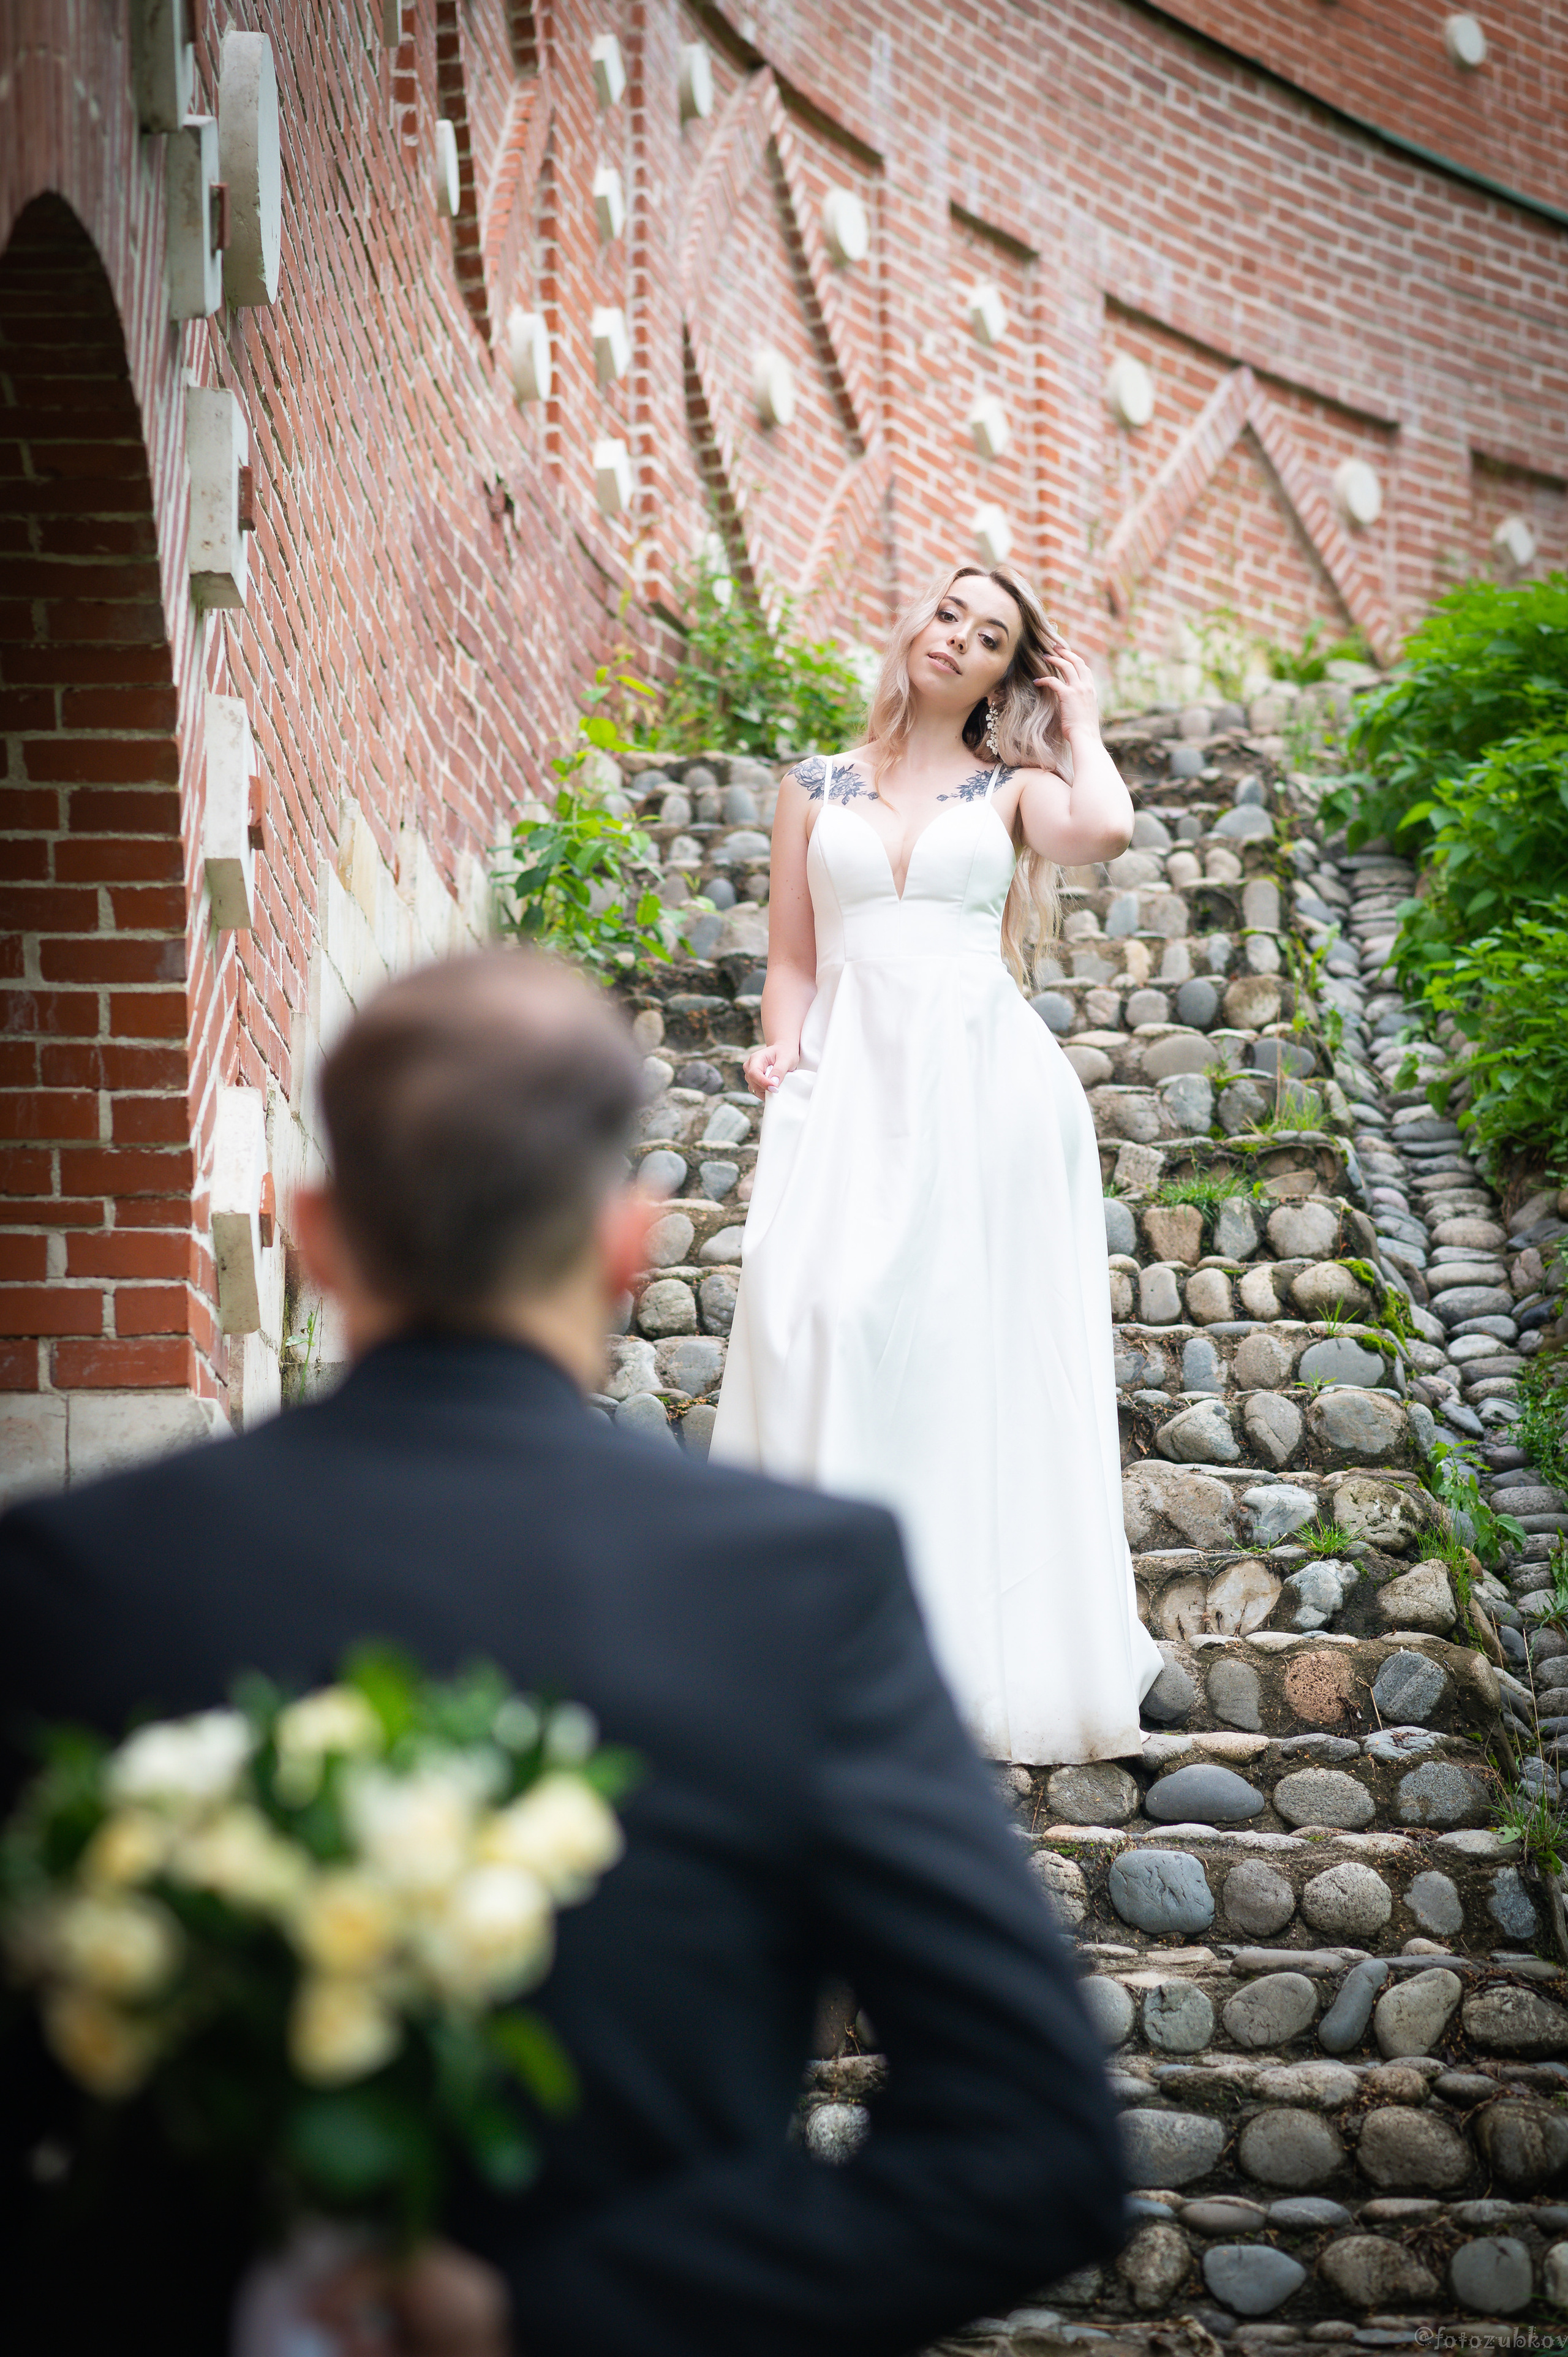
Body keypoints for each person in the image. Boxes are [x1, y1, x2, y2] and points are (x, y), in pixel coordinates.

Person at [0, 949, 1127, 2357]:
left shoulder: (69, 1571)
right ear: (626, 1243)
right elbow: (1035, 2149)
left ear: (315, 1232)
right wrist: (554, 2315)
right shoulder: (790, 1587)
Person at [710, 566, 1164, 1766]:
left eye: (989, 636)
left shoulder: (1012, 788)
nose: (956, 637)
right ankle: (827, 1646)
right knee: (822, 1315)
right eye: (947, 612)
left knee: (974, 1351)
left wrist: (1079, 724)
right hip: (849, 1084)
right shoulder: (811, 785)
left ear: (1000, 672)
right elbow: (794, 958)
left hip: (987, 1089)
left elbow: (1106, 826)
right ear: (912, 624)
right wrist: (779, 1047)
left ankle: (973, 1656)